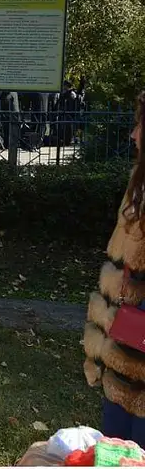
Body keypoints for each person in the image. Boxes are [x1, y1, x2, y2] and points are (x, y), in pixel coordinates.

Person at [84, 91, 145, 445]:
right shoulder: (140, 180)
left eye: (141, 125)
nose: (133, 134)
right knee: (116, 445)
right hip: (127, 334)